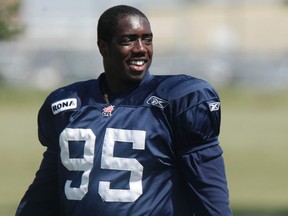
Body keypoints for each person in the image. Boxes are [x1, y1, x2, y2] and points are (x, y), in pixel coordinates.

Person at [16, 5, 232, 216]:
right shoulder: (67, 105)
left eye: (147, 39)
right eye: (128, 40)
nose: (140, 48)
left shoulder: (178, 100)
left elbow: (209, 190)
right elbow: (45, 192)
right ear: (103, 47)